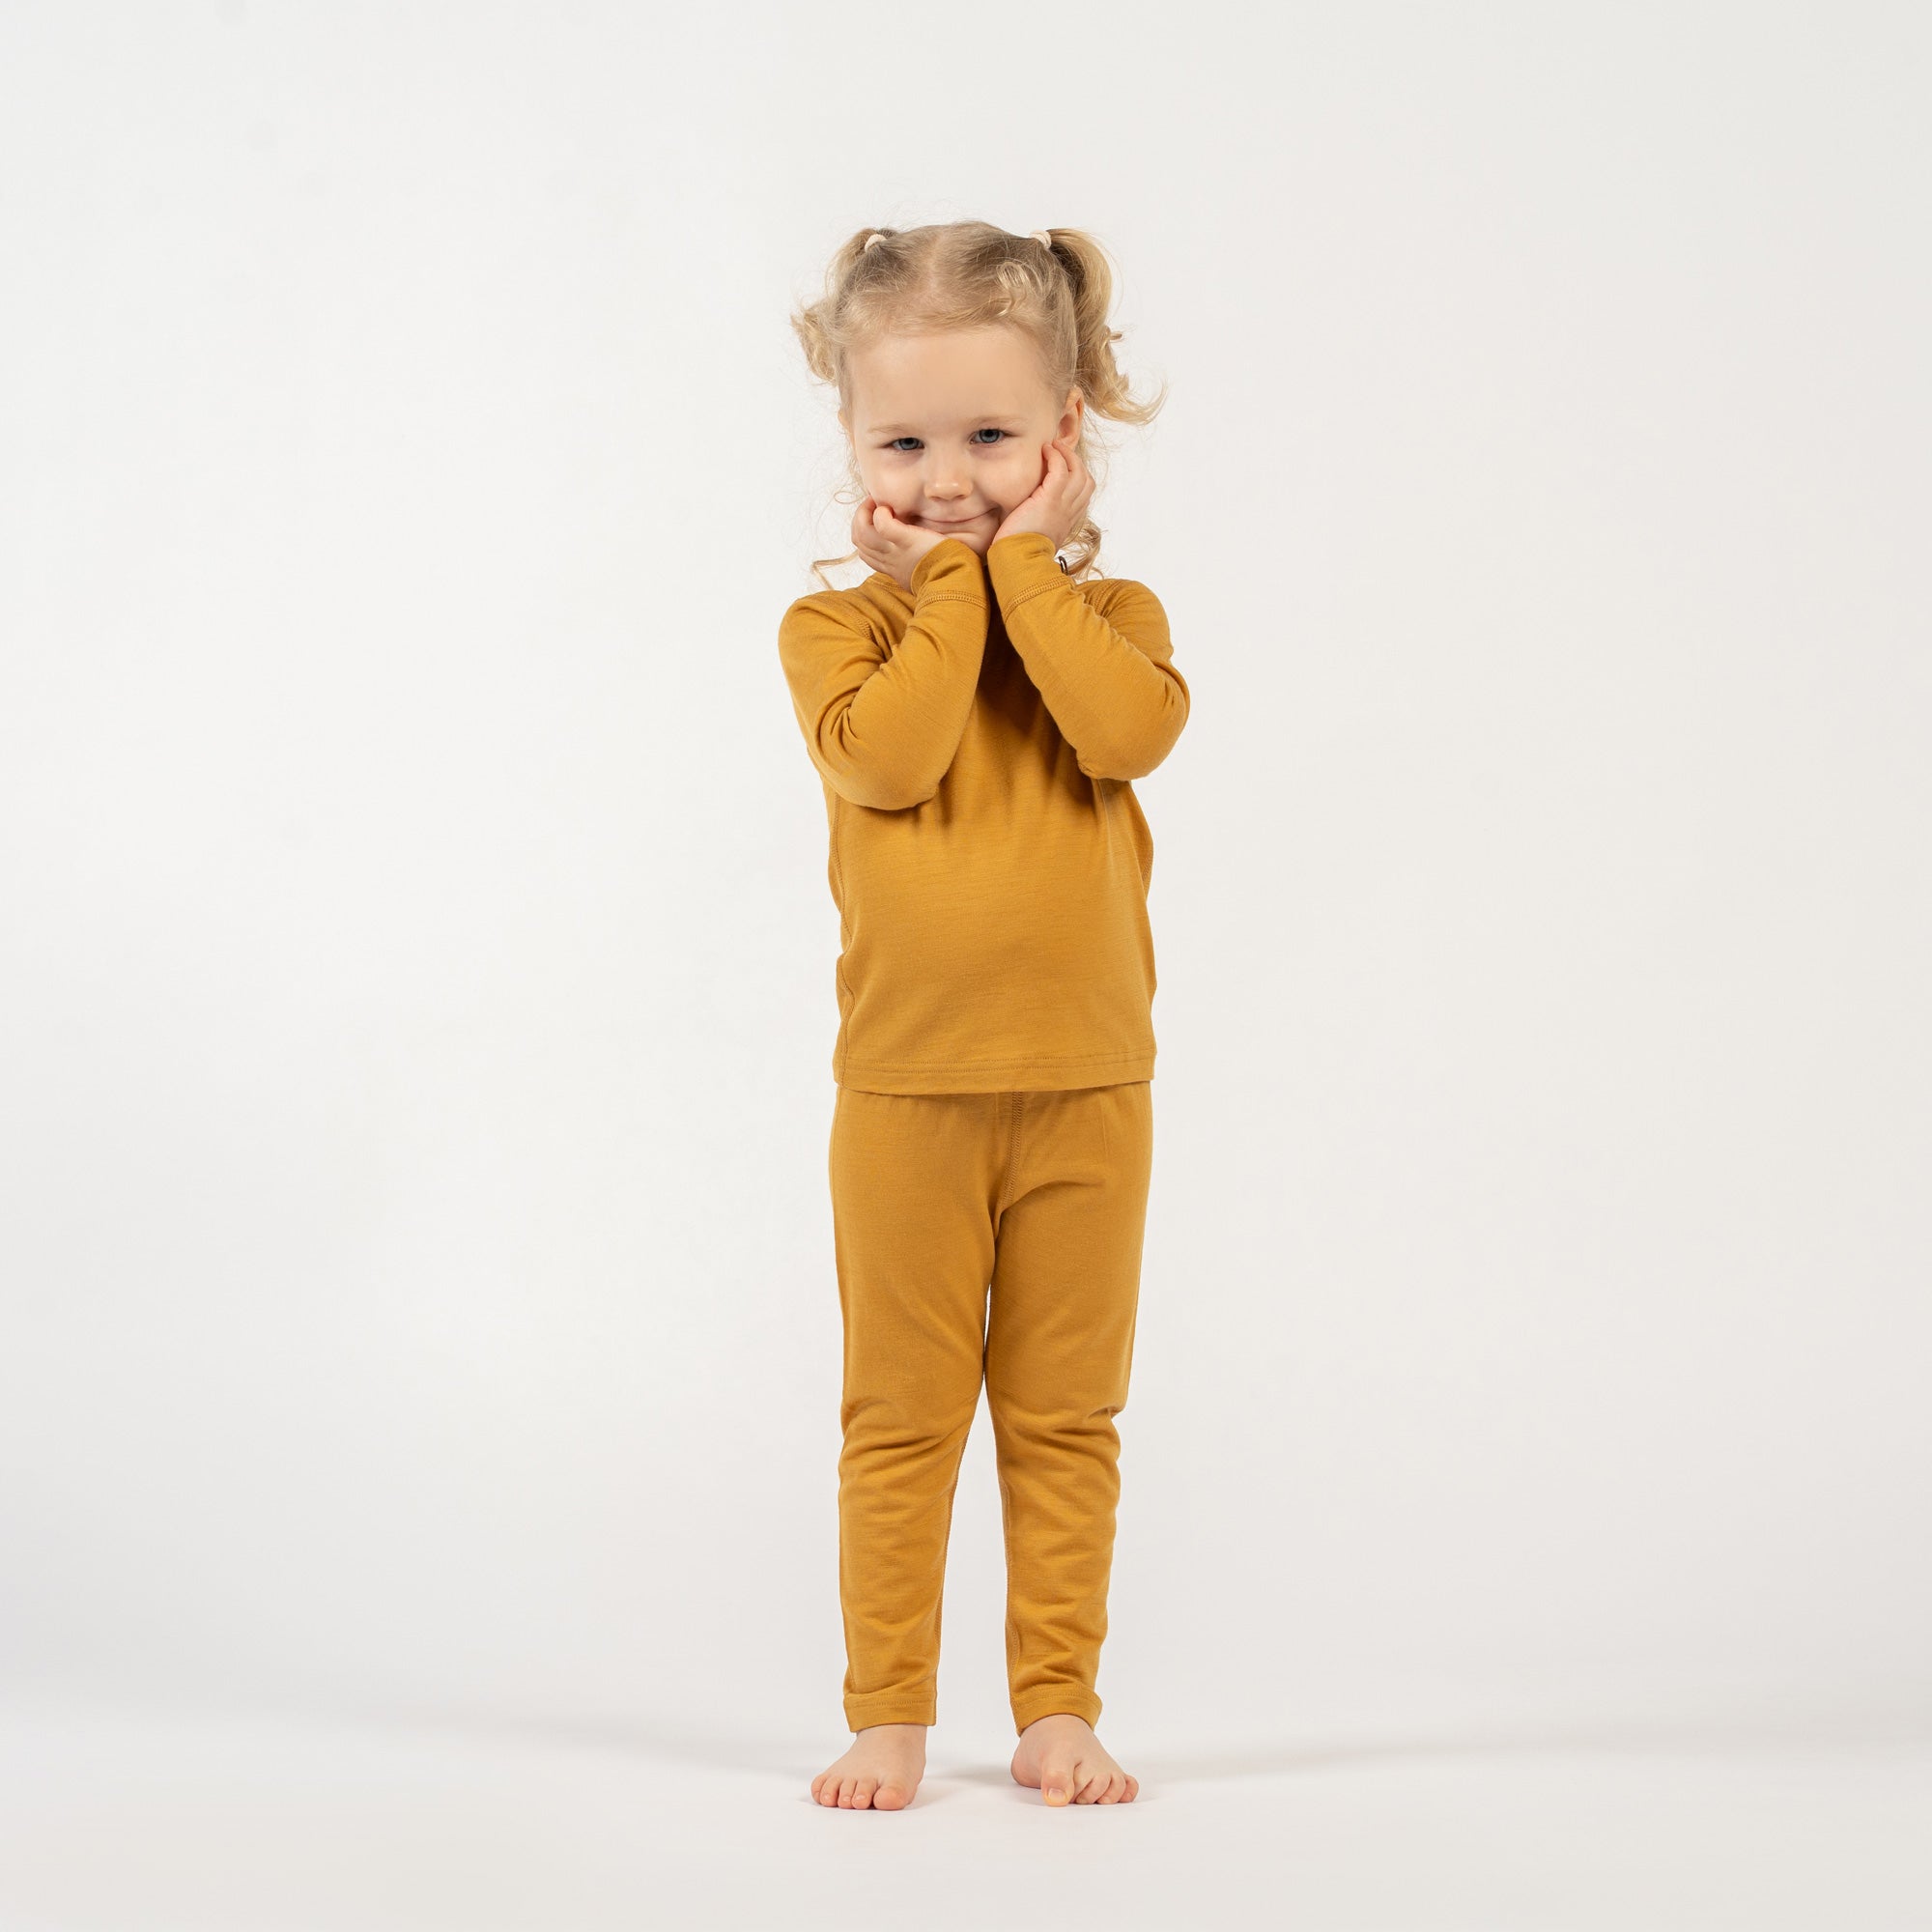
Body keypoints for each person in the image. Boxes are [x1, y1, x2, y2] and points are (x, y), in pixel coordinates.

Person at [778, 220, 1188, 1810]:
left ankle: (1056, 1707)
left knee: (1066, 1415)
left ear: (1064, 436)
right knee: (901, 1417)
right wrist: (952, 585)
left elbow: (1121, 735)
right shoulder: (841, 633)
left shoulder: (1117, 622)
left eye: (992, 439)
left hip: (1090, 1085)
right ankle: (888, 1706)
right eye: (905, 440)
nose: (948, 475)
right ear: (851, 442)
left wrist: (1020, 574)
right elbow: (891, 759)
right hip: (907, 1095)